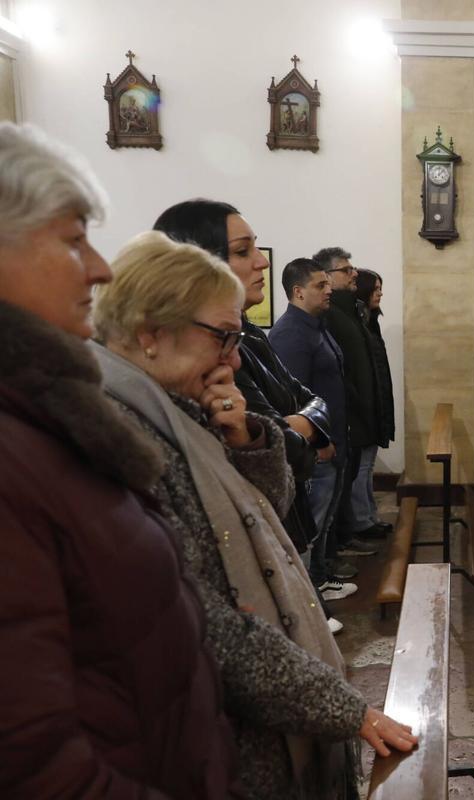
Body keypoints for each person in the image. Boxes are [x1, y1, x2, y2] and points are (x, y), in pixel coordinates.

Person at [91, 231, 417, 800]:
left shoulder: (175, 406)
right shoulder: (119, 439)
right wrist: (346, 709)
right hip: (226, 743)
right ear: (149, 335)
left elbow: (265, 514)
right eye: (223, 337)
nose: (234, 358)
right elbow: (203, 626)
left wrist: (245, 437)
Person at [0, 122, 236, 798]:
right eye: (74, 240)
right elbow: (31, 761)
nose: (101, 268)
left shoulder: (52, 417)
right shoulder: (25, 443)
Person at [153, 199, 360, 619]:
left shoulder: (251, 336)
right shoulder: (224, 352)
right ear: (199, 262)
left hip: (280, 519)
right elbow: (283, 447)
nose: (262, 264)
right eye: (243, 251)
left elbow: (307, 402)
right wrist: (292, 431)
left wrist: (302, 423)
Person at [269, 257, 362, 600]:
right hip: (316, 446)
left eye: (327, 283)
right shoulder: (290, 334)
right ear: (297, 292)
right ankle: (308, 596)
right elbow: (293, 401)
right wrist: (318, 441)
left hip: (334, 439)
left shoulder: (316, 326)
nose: (328, 291)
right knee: (312, 523)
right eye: (320, 286)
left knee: (325, 519)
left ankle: (320, 578)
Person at [312, 246, 383, 551]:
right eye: (346, 270)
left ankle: (347, 534)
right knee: (334, 491)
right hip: (343, 417)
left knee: (351, 476)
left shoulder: (350, 312)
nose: (354, 273)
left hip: (358, 412)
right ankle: (335, 548)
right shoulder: (331, 316)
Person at [352, 268, 395, 534]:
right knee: (362, 467)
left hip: (374, 404)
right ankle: (362, 521)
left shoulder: (370, 322)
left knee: (367, 467)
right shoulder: (357, 324)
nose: (380, 293)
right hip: (364, 408)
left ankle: (369, 516)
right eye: (376, 289)